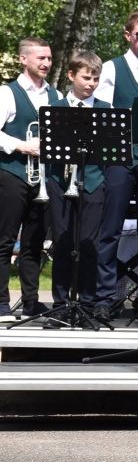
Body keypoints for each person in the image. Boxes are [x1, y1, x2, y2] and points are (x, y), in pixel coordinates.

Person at [93, 11, 138, 321]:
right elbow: (104, 116)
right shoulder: (111, 68)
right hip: (121, 159)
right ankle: (105, 296)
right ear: (128, 36)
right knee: (111, 230)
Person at [42, 51, 107, 328]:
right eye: (86, 78)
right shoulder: (55, 106)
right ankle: (60, 305)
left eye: (95, 79)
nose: (91, 84)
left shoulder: (105, 109)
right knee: (63, 242)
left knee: (89, 245)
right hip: (60, 181)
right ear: (71, 76)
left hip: (93, 181)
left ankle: (87, 305)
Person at [0, 37, 58, 321]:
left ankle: (32, 303)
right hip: (12, 173)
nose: (46, 63)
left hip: (44, 178)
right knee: (5, 240)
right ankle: (0, 302)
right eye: (40, 58)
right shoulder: (7, 93)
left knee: (34, 244)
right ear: (23, 59)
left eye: (48, 58)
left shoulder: (55, 95)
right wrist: (22, 145)